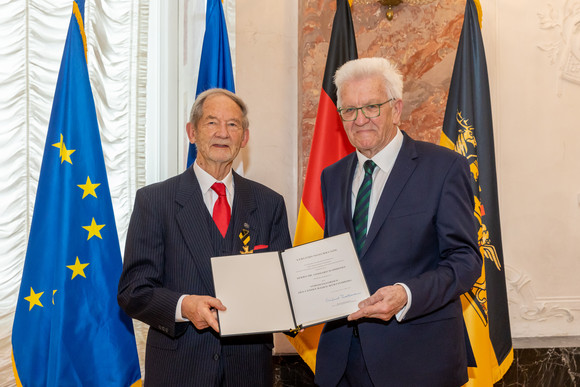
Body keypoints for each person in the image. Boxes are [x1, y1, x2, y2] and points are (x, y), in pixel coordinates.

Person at [314, 57, 483, 386]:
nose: (360, 119)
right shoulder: (331, 177)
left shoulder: (444, 168)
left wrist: (407, 294)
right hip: (341, 362)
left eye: (372, 106)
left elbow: (466, 261)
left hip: (418, 360)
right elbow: (335, 258)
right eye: (349, 110)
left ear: (397, 108)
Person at [118, 88, 292, 386]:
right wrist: (183, 306)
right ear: (192, 132)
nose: (222, 132)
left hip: (249, 372)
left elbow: (283, 288)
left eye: (233, 124)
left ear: (244, 138)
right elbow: (133, 291)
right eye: (212, 122)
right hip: (179, 371)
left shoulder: (269, 203)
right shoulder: (155, 201)